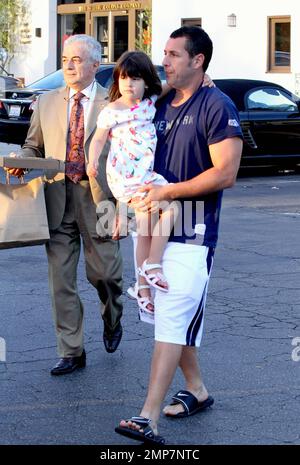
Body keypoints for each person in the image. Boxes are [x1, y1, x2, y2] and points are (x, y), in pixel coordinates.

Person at [115, 26, 243, 444]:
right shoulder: (161, 101)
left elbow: (225, 174)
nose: (164, 61)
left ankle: (146, 417)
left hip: (192, 233)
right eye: (164, 54)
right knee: (163, 318)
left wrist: (168, 191)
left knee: (170, 321)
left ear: (198, 61)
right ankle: (199, 391)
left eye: (172, 54)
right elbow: (120, 107)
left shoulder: (216, 104)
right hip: (150, 227)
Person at [5, 34, 123, 375]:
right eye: (65, 59)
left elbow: (132, 153)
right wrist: (23, 160)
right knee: (61, 281)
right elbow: (32, 147)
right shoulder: (47, 102)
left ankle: (113, 316)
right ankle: (71, 350)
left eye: (76, 59)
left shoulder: (113, 105)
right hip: (56, 199)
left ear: (94, 65)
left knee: (105, 275)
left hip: (100, 200)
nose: (68, 65)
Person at [87, 51, 178, 322]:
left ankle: (143, 286)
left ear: (146, 82)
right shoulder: (112, 110)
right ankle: (151, 267)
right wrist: (92, 162)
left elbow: (173, 82)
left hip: (146, 175)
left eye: (136, 78)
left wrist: (206, 77)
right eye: (124, 78)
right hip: (126, 177)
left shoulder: (150, 102)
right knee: (161, 213)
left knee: (155, 218)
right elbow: (98, 140)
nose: (129, 83)